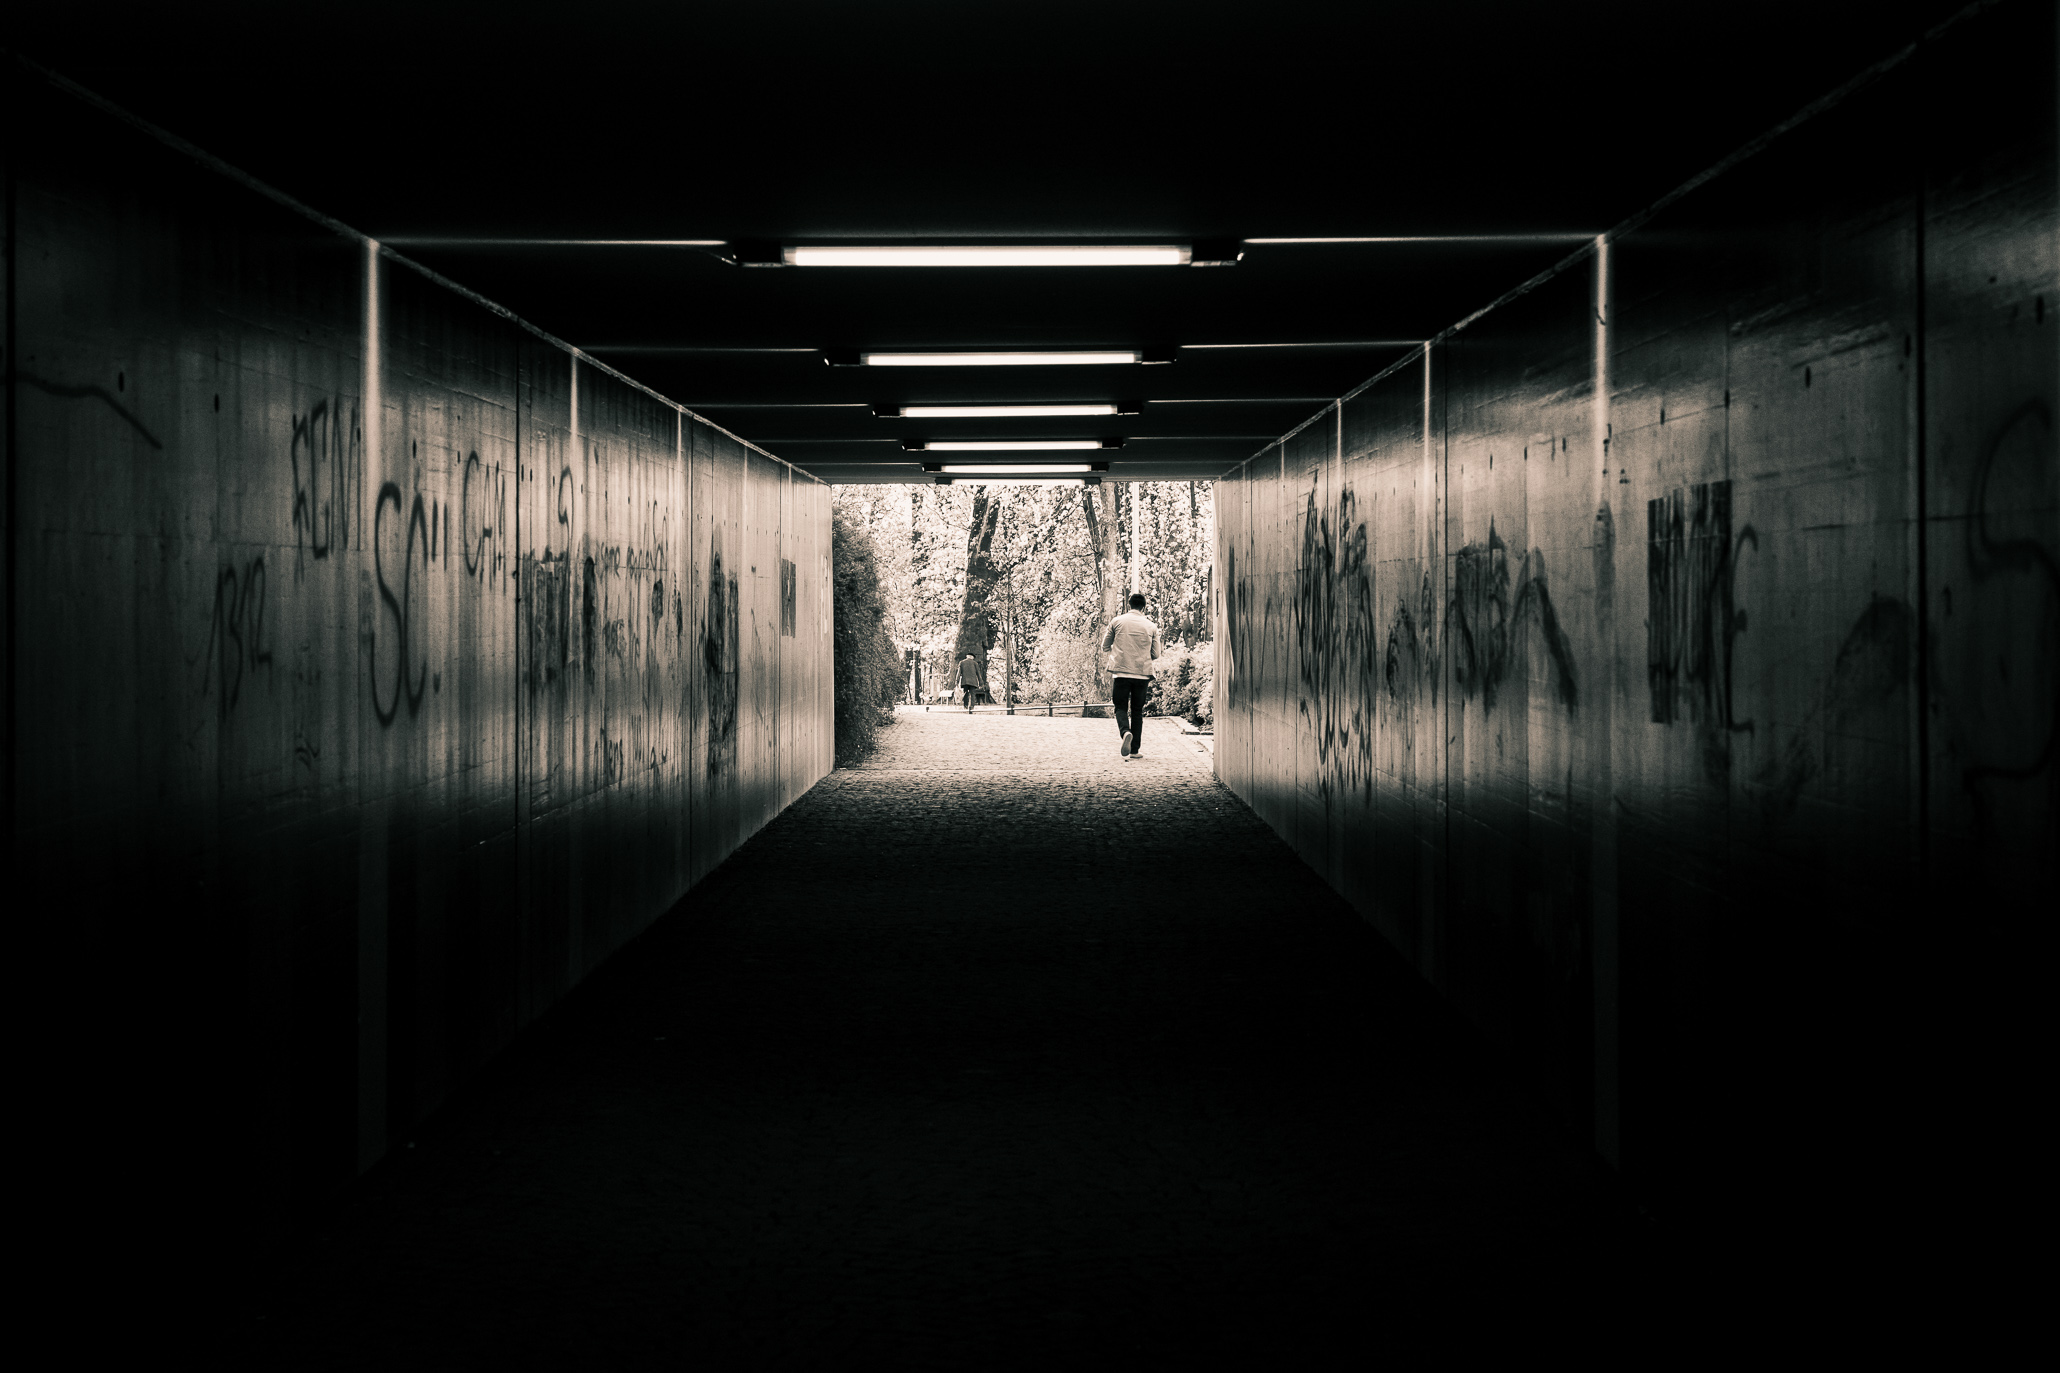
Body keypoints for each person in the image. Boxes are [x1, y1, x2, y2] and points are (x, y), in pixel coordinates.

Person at [1101, 592, 1163, 759]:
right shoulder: (1151, 626)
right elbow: (1156, 654)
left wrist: (1115, 649)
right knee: (1137, 711)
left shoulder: (1117, 621)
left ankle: (1125, 732)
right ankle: (1135, 750)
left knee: (1120, 707)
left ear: (1129, 605)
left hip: (1121, 672)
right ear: (1143, 607)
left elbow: (1105, 646)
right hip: (1142, 674)